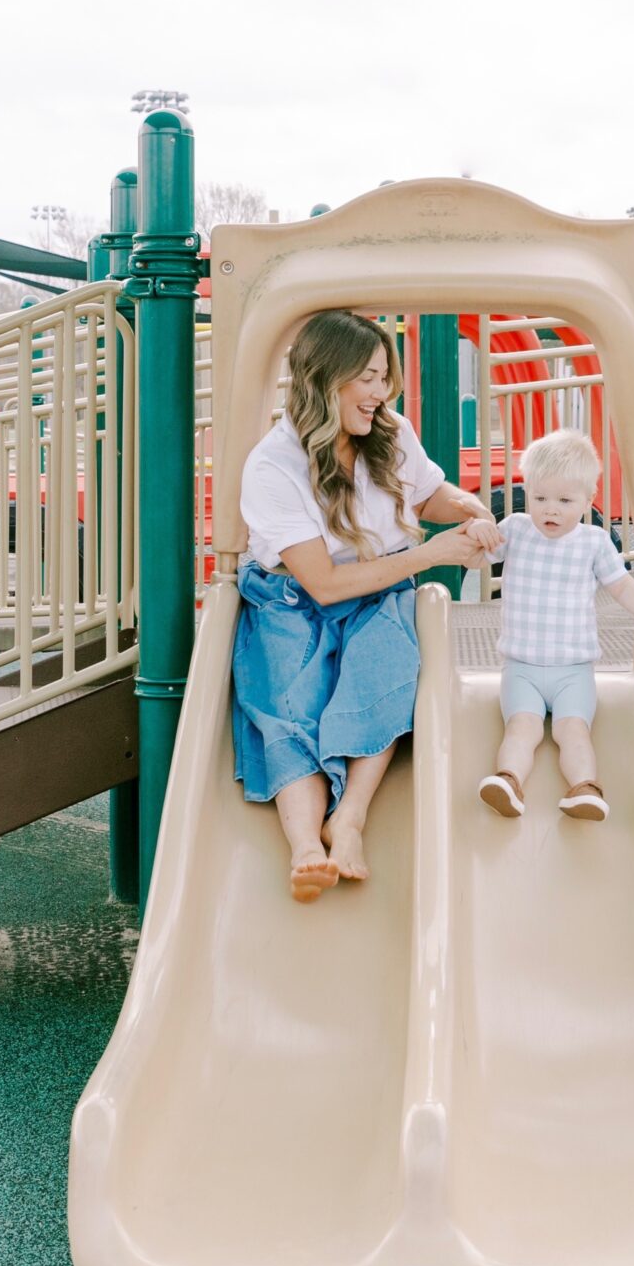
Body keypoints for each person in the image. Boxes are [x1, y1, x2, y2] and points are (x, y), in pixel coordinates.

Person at [234, 309, 492, 901]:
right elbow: (322, 584)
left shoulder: (390, 433)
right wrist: (432, 556)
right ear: (326, 378)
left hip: (376, 593)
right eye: (369, 378)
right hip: (292, 598)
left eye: (385, 377)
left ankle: (348, 819)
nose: (381, 392)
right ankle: (304, 846)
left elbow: (430, 494)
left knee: (383, 671)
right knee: (288, 702)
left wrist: (472, 511)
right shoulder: (273, 464)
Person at [469, 429, 634, 822]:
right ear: (527, 492)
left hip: (574, 670)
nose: (550, 510)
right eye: (540, 498)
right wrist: (477, 532)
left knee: (573, 731)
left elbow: (621, 586)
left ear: (588, 500)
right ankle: (509, 781)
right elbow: (476, 558)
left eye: (565, 501)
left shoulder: (593, 542)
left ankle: (584, 788)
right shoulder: (516, 529)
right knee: (522, 727)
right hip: (522, 667)